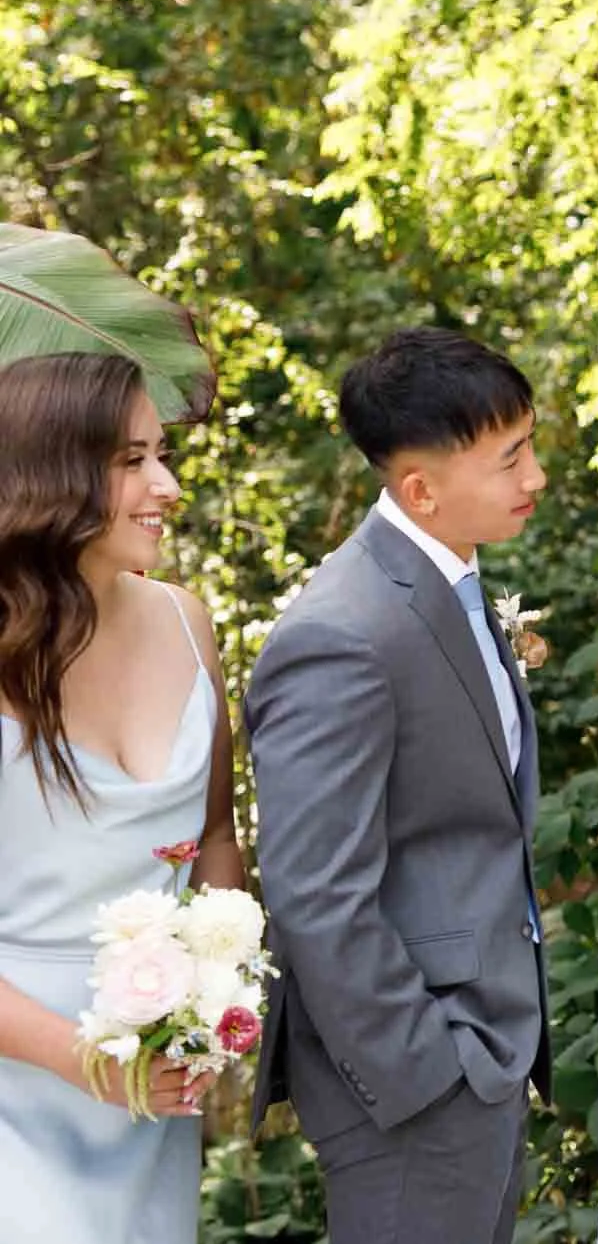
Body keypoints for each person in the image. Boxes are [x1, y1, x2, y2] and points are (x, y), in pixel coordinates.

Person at [247, 327, 551, 1244]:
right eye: (510, 459)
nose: (534, 477)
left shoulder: (444, 580)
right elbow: (314, 889)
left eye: (530, 445)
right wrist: (428, 1070)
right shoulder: (341, 631)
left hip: (483, 1050)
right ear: (419, 488)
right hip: (417, 1078)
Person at [0, 353, 244, 1243]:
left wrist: (216, 998)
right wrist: (84, 1058)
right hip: (19, 1078)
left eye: (163, 454)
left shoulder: (188, 620)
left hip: (146, 1090)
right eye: (132, 459)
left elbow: (215, 834)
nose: (167, 484)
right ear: (52, 471)